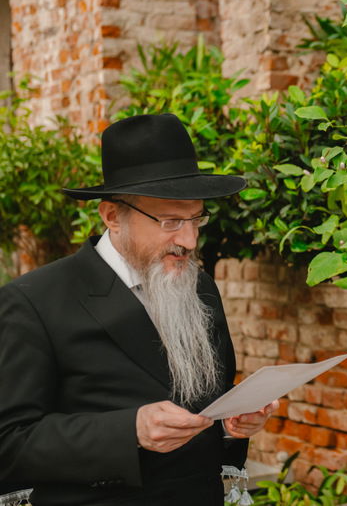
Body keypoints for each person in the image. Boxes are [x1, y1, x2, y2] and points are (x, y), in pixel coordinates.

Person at [0, 114, 275, 506]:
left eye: (197, 218)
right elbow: (9, 444)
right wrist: (129, 431)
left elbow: (207, 405)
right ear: (113, 216)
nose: (189, 239)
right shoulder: (33, 301)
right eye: (170, 221)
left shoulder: (200, 287)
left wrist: (233, 425)